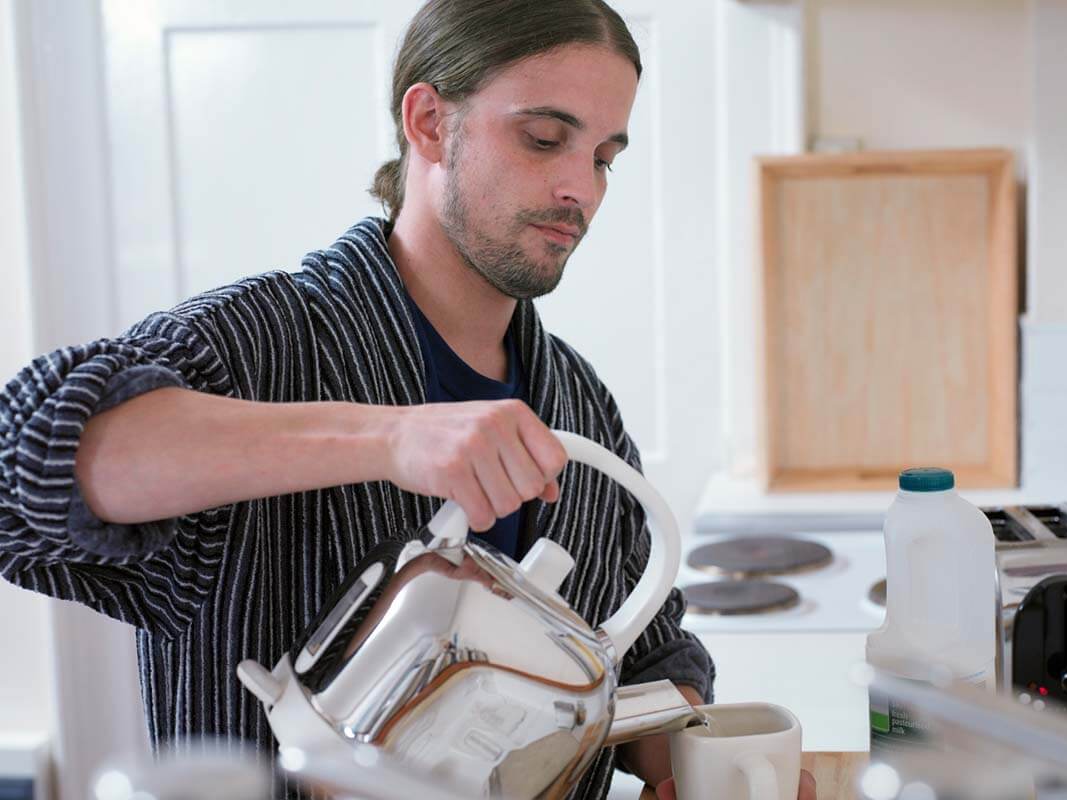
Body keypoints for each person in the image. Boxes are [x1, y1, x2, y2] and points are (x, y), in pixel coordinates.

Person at [0, 1, 815, 798]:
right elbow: (27, 459)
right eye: (543, 138)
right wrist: (390, 439)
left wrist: (697, 767)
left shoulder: (580, 407)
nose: (582, 189)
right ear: (429, 123)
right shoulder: (258, 343)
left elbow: (647, 654)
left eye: (604, 156)